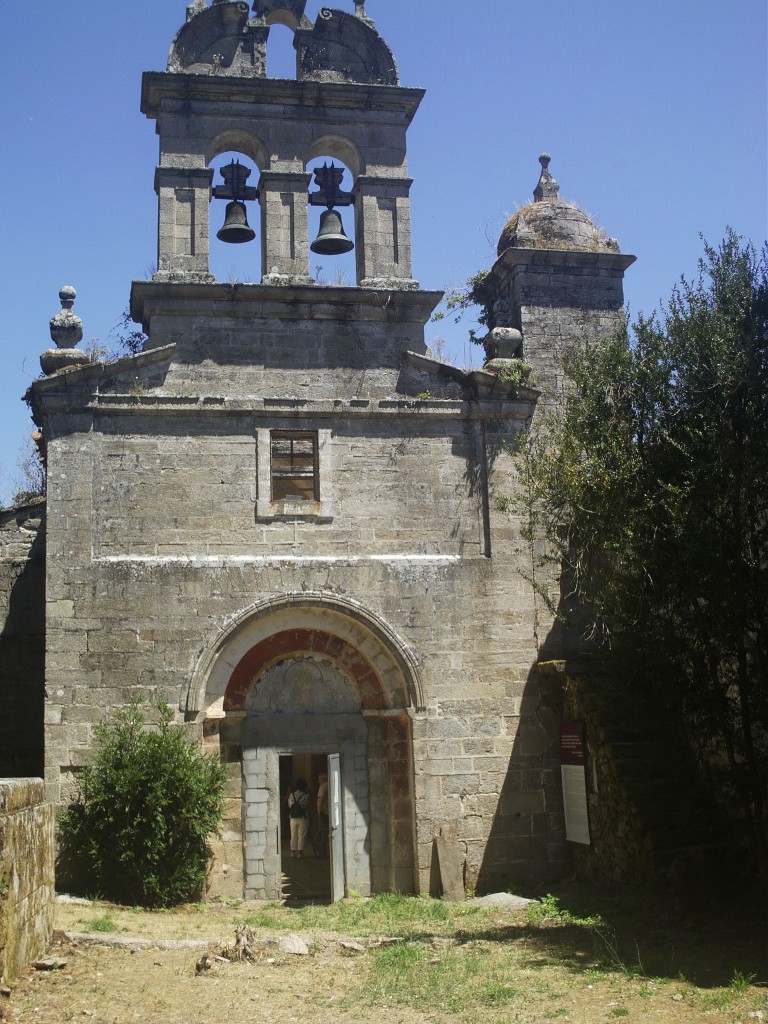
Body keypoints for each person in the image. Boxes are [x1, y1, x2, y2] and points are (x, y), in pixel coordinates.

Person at [287, 778, 309, 858]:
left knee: (293, 834)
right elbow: (307, 805)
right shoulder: (306, 795)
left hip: (293, 817)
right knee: (302, 835)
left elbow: (289, 805)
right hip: (303, 817)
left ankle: (292, 852)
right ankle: (300, 853)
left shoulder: (291, 795)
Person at [316, 773, 329, 857]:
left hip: (325, 812)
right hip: (332, 812)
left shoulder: (323, 786)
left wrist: (319, 812)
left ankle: (322, 852)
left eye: (319, 779)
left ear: (323, 779)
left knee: (324, 832)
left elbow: (320, 799)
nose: (318, 781)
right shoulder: (331, 784)